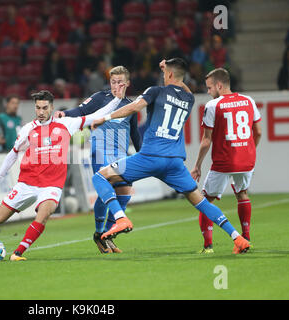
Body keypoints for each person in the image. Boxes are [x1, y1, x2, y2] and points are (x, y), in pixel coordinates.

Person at [90, 58, 251, 255]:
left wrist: (104, 117)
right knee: (200, 202)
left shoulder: (155, 91)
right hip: (175, 162)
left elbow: (133, 107)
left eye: (165, 72)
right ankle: (238, 237)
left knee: (100, 176)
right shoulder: (188, 98)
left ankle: (120, 217)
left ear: (169, 74)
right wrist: (175, 72)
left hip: (150, 157)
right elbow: (186, 89)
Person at [0, 88, 125, 261]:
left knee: (44, 214)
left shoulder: (67, 123)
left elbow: (96, 115)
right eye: (38, 108)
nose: (41, 112)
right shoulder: (28, 129)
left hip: (52, 185)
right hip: (27, 182)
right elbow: (13, 153)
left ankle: (18, 253)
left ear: (51, 108)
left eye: (44, 108)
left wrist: (117, 100)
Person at [55, 65, 142, 254]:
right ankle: (101, 233)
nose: (116, 85)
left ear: (127, 83)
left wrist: (144, 155)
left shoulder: (131, 105)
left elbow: (135, 133)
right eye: (113, 82)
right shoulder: (100, 98)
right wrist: (64, 114)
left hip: (121, 155)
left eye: (120, 82)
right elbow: (81, 110)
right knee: (109, 188)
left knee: (125, 192)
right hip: (101, 152)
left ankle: (105, 234)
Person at [190, 68, 262, 253]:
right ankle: (246, 238)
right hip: (247, 160)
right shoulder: (249, 101)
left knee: (205, 201)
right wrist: (249, 150)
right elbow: (258, 132)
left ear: (219, 85)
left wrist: (197, 165)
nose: (208, 92)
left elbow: (207, 140)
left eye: (209, 88)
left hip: (224, 161)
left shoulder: (213, 106)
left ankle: (208, 246)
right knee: (242, 194)